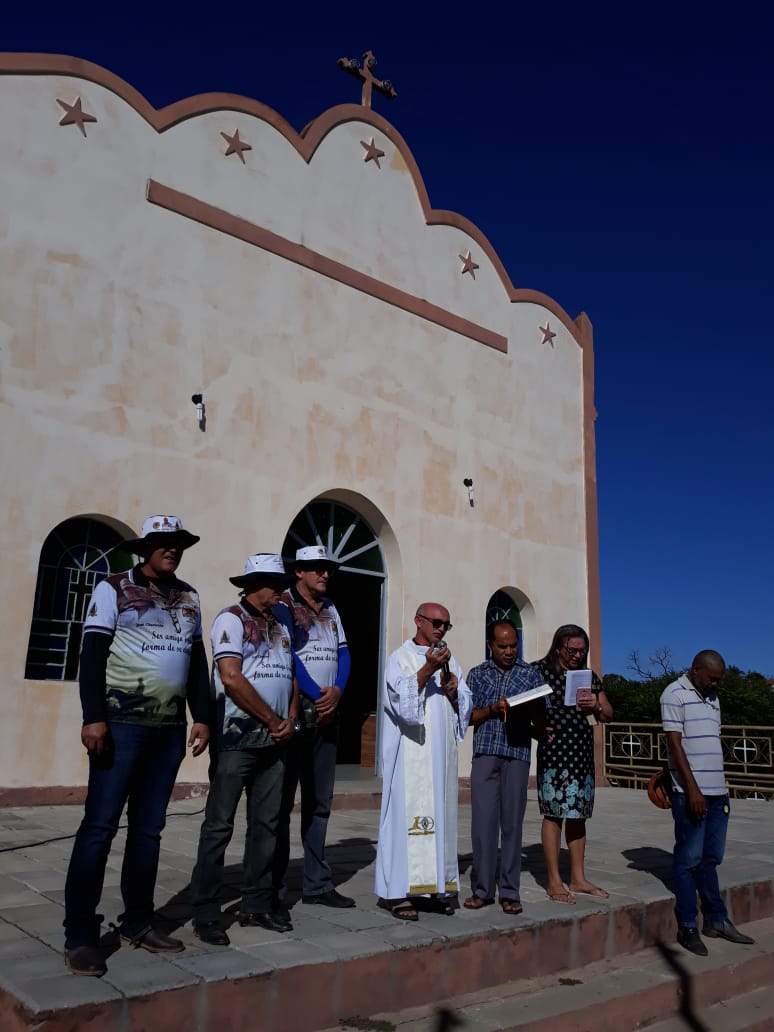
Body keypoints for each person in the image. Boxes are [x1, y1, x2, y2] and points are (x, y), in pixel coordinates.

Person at [63, 516, 210, 977]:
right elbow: (92, 655)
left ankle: (138, 922)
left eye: (178, 543)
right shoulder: (113, 588)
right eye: (163, 543)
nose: (172, 549)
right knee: (99, 827)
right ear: (145, 548)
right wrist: (93, 717)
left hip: (167, 732)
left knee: (148, 831)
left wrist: (203, 715)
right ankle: (80, 936)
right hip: (120, 727)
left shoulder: (190, 597)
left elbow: (196, 662)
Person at [189, 554, 300, 944]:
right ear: (253, 584)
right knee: (219, 825)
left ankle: (256, 903)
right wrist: (271, 719)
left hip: (276, 741)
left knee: (267, 824)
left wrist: (291, 718)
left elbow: (290, 674)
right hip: (237, 740)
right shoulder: (231, 619)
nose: (281, 590)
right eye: (275, 583)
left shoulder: (279, 625)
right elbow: (231, 678)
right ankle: (205, 910)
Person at [374, 603, 472, 921]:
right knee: (404, 821)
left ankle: (433, 890)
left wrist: (455, 692)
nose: (441, 629)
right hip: (409, 757)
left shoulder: (449, 659)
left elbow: (465, 704)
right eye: (436, 622)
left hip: (440, 758)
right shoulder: (399, 659)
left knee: (440, 819)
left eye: (446, 624)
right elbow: (399, 703)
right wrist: (427, 669)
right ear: (418, 621)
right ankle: (397, 893)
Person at [273, 545, 354, 909]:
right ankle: (274, 886)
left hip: (327, 711)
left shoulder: (331, 608)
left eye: (327, 568)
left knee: (319, 803)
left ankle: (317, 883)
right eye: (317, 568)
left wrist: (337, 690)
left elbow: (344, 653)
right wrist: (315, 694)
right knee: (281, 803)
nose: (325, 574)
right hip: (299, 710)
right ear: (299, 572)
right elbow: (287, 655)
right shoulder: (284, 605)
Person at [661, 650, 755, 956]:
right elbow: (674, 743)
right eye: (711, 678)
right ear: (695, 670)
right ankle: (688, 925)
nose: (715, 684)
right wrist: (692, 789)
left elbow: (711, 740)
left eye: (718, 680)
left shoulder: (713, 698)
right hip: (691, 792)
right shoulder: (673, 694)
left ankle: (716, 919)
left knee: (711, 858)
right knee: (688, 859)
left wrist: (718, 788)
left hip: (718, 793)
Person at [464, 620, 548, 915]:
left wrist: (532, 709)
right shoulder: (477, 674)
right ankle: (483, 890)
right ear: (490, 645)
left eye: (514, 645)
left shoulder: (530, 674)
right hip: (486, 752)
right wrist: (492, 710)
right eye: (503, 646)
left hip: (517, 753)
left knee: (512, 824)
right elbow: (467, 717)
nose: (509, 651)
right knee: (482, 824)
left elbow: (542, 719)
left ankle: (510, 891)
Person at [535, 624, 612, 904]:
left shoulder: (588, 676)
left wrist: (596, 706)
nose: (577, 655)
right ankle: (554, 880)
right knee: (554, 813)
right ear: (558, 647)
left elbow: (608, 714)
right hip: (555, 754)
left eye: (582, 651)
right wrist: (535, 728)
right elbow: (521, 705)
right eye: (572, 650)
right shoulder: (539, 672)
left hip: (581, 756)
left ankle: (578, 878)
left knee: (578, 815)